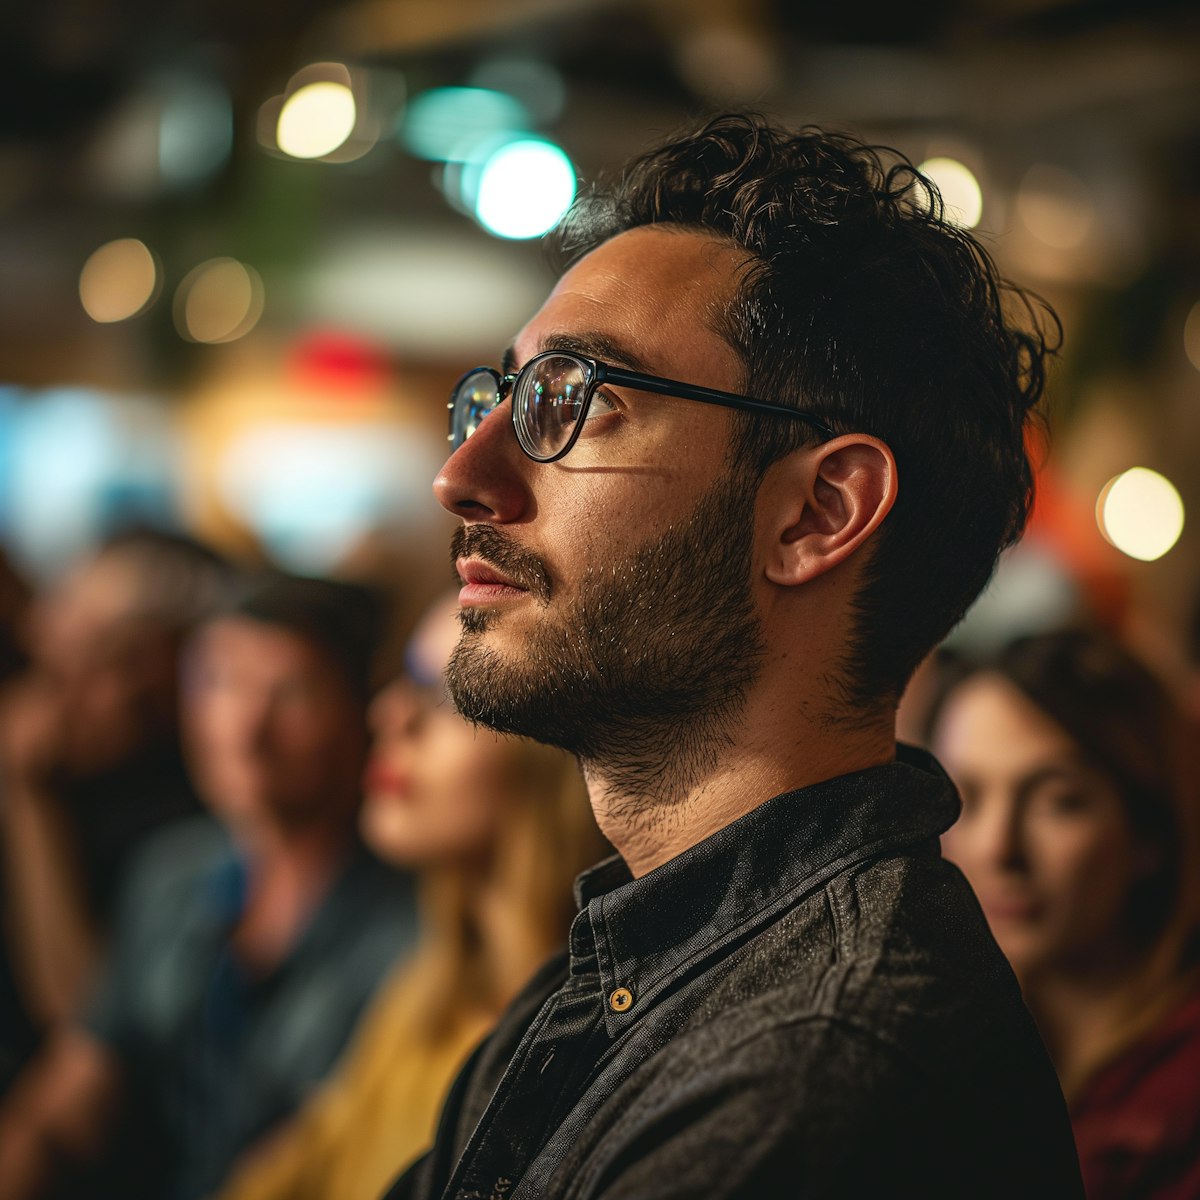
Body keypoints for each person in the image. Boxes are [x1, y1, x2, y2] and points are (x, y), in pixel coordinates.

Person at [383, 113, 1083, 1199]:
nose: (462, 477)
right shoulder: (631, 959)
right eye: (500, 398)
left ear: (817, 513)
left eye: (574, 400)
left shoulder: (810, 1076)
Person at [0, 573, 418, 1200]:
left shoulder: (411, 922)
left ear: (362, 710)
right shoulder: (171, 874)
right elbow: (71, 1100)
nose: (245, 731)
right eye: (218, 683)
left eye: (292, 691)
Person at [215, 594, 607, 1200]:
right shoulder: (426, 991)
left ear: (551, 752)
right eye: (403, 680)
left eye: (448, 695)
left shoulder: (591, 1049)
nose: (389, 714)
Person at [929, 629, 1200, 1200]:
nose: (999, 848)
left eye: (1059, 801)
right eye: (965, 798)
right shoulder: (942, 1052)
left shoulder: (1181, 1093)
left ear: (1149, 832)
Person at [0, 529, 230, 1030]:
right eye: (59, 672)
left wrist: (29, 798)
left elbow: (82, 1013)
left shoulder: (192, 813)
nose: (102, 698)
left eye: (122, 663)